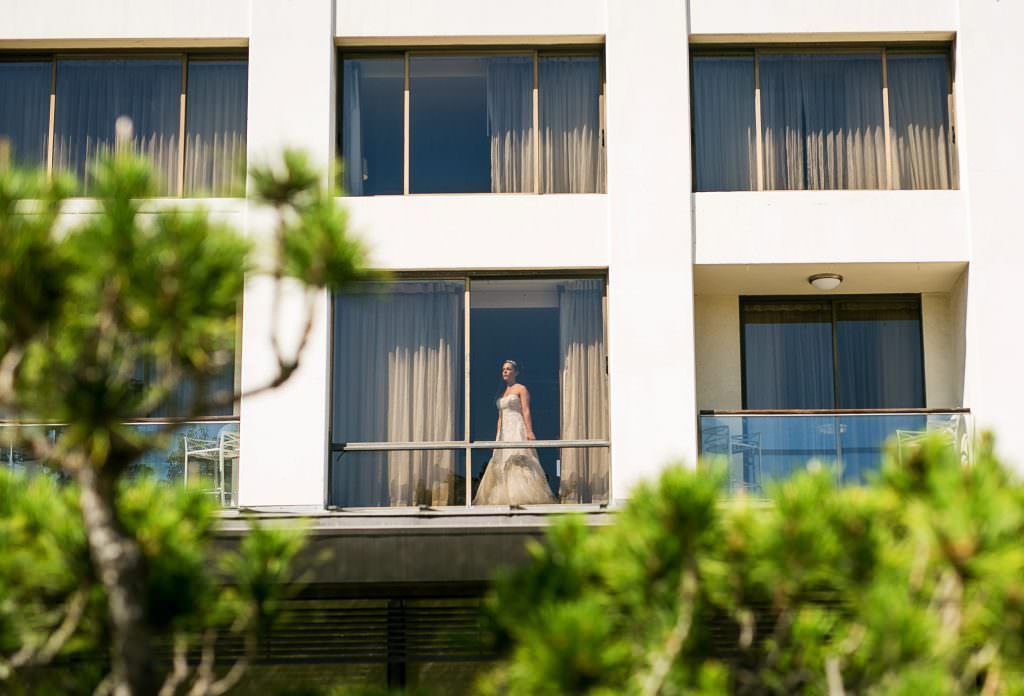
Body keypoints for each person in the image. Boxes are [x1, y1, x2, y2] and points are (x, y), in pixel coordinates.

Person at [473, 360, 557, 505]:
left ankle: (521, 496)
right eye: (503, 369)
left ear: (516, 372)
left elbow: (526, 410)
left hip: (517, 427)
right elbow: (500, 417)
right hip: (504, 431)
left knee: (518, 459)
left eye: (508, 369)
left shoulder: (521, 389)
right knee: (502, 461)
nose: (505, 371)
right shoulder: (503, 392)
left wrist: (530, 431)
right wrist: (497, 438)